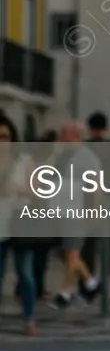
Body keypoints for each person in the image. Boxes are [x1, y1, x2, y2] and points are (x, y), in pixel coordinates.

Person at [50, 121, 102, 309]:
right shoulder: (63, 155)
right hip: (62, 209)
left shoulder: (87, 158)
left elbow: (96, 186)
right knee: (67, 252)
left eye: (64, 135)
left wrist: (95, 211)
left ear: (75, 136)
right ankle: (91, 283)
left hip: (79, 211)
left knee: (72, 251)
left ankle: (65, 292)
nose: (61, 138)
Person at [81, 111, 110, 301]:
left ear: (90, 129)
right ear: (106, 129)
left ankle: (87, 290)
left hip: (88, 202)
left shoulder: (85, 148)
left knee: (87, 249)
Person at [0, 113, 38, 334]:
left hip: (20, 222)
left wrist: (19, 190)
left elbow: (37, 190)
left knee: (25, 273)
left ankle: (29, 319)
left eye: (5, 136)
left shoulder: (24, 161)